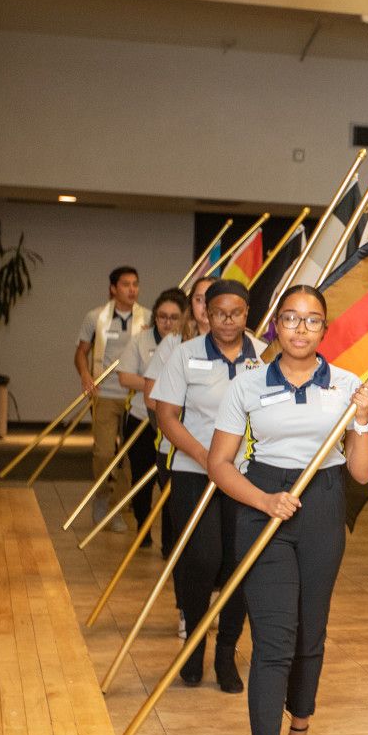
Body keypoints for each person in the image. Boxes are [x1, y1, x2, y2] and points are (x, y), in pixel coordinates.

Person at [207, 283, 368, 735]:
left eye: (311, 321)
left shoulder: (348, 386)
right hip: (263, 504)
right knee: (273, 638)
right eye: (290, 319)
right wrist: (264, 500)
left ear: (325, 330)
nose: (300, 329)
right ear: (274, 327)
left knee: (311, 628)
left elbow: (362, 470)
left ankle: (299, 728)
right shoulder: (248, 385)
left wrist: (364, 418)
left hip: (324, 503)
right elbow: (218, 464)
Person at [149, 280, 260, 693]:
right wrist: (204, 457)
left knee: (238, 564)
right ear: (205, 315)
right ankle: (193, 649)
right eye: (218, 313)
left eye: (236, 312)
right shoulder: (185, 354)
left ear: (247, 313)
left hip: (247, 477)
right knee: (202, 561)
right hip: (195, 472)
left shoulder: (265, 356)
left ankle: (226, 653)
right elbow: (167, 415)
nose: (227, 320)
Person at [74, 266, 150, 535]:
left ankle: (118, 507)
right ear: (113, 289)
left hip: (136, 397)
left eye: (136, 284)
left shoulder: (148, 318)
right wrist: (85, 375)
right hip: (105, 395)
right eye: (126, 284)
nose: (132, 290)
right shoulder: (95, 317)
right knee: (104, 453)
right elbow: (81, 352)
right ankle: (102, 497)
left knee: (132, 456)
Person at [114, 287, 188, 545]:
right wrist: (153, 383)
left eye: (173, 317)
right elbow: (125, 377)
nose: (167, 322)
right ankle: (143, 530)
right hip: (142, 418)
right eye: (161, 316)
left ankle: (170, 541)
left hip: (177, 423)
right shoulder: (141, 340)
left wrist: (154, 383)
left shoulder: (187, 342)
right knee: (140, 477)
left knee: (169, 482)